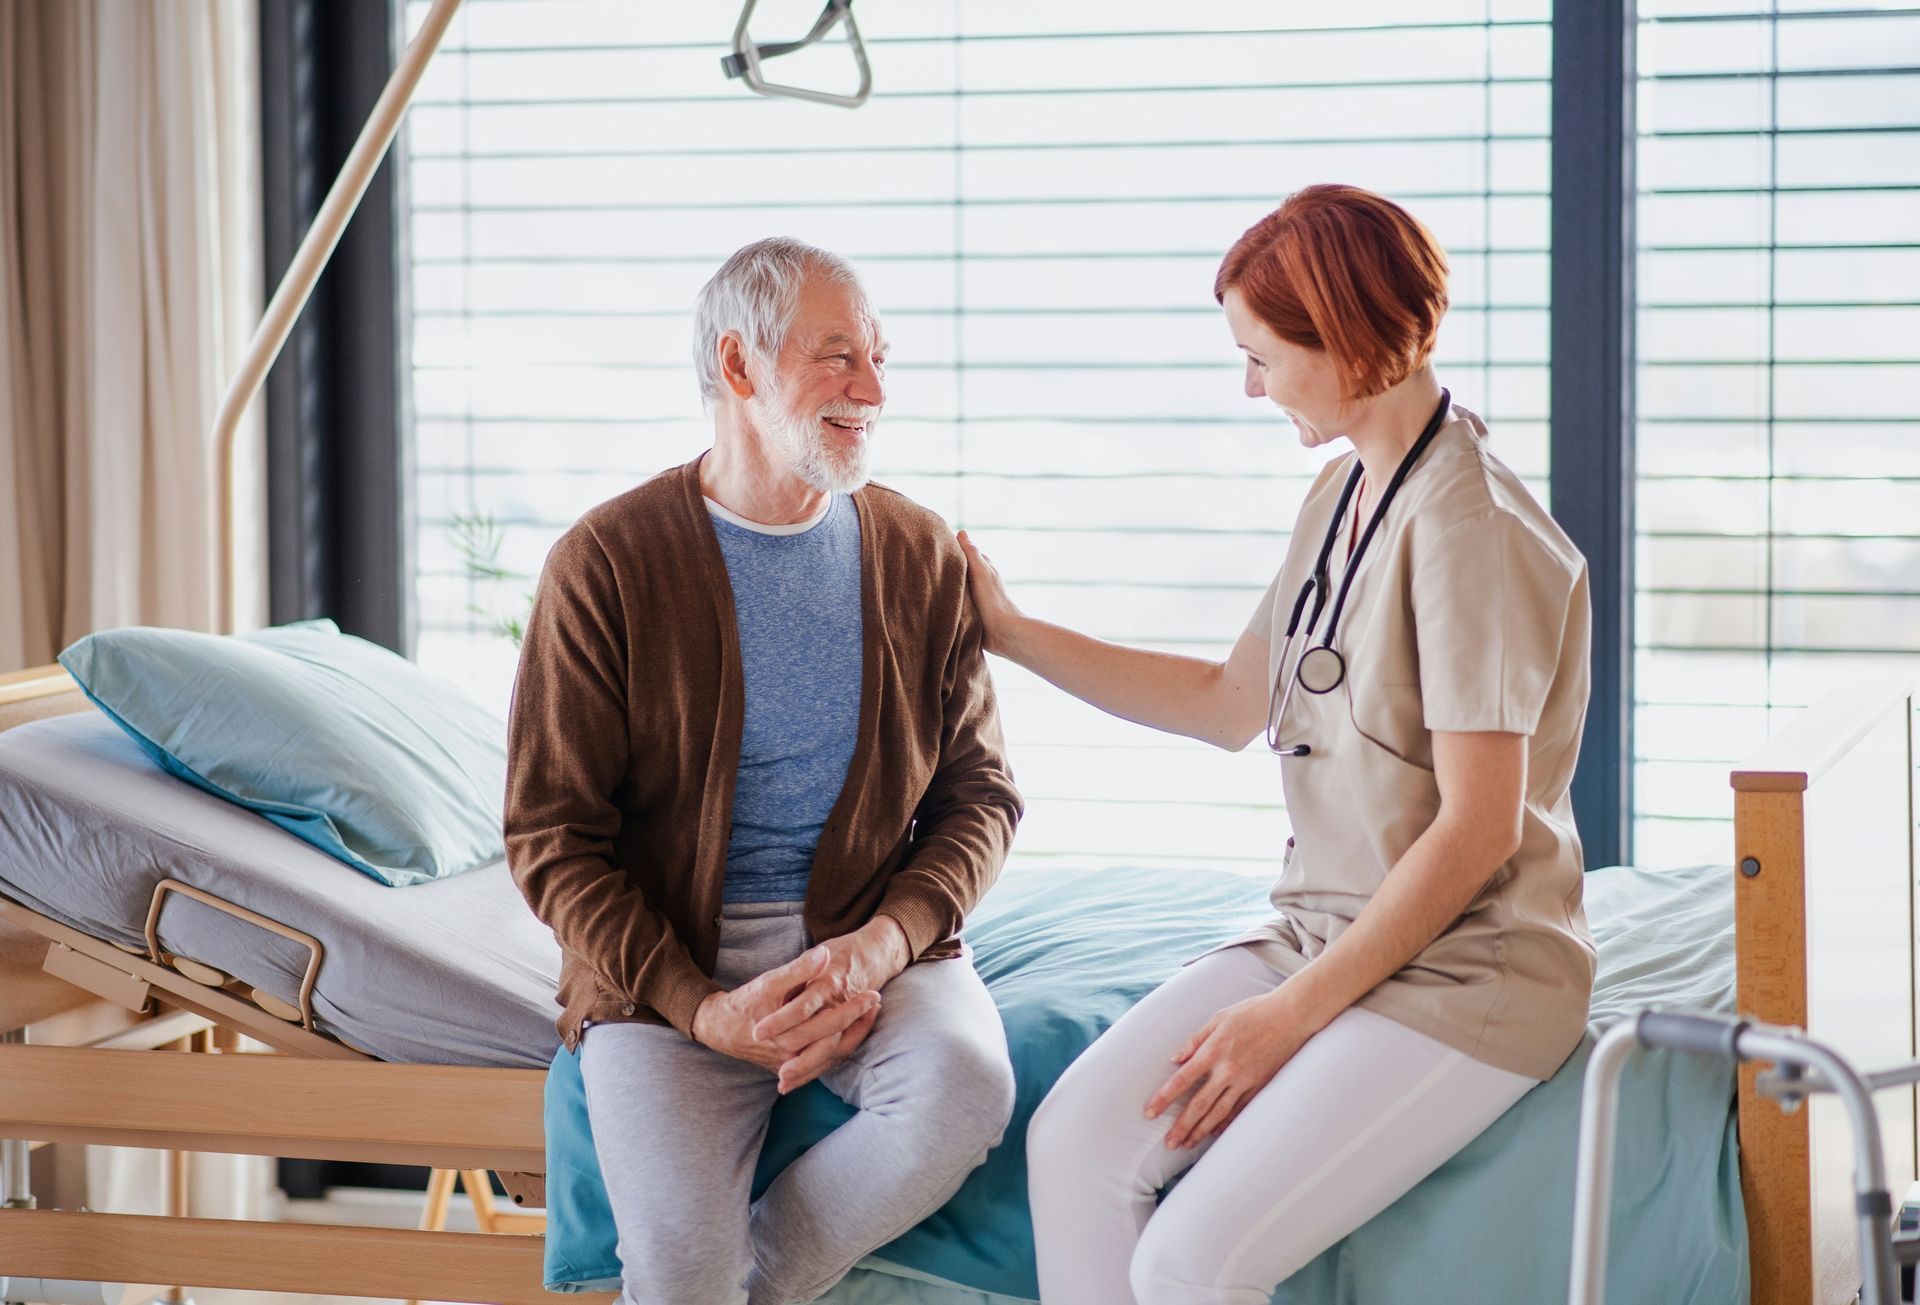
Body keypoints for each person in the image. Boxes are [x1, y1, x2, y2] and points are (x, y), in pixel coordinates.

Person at [960, 184, 1595, 1303]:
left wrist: (1285, 1022)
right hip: (1323, 929)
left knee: (1191, 1263)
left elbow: (1480, 827)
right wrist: (1010, 633)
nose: (1251, 385)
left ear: (1345, 338)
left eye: (1262, 355)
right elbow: (1224, 701)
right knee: (1071, 1149)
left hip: (1466, 970)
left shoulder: (1472, 530)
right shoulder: (1342, 492)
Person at [505, 237, 1021, 1305]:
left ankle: (757, 1289)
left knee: (966, 1088)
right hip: (672, 972)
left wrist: (881, 947)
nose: (872, 390)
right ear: (740, 368)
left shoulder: (916, 553)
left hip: (870, 949)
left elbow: (981, 796)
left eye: (879, 357)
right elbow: (552, 839)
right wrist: (704, 1011)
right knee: (670, 1268)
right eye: (837, 358)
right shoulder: (606, 563)